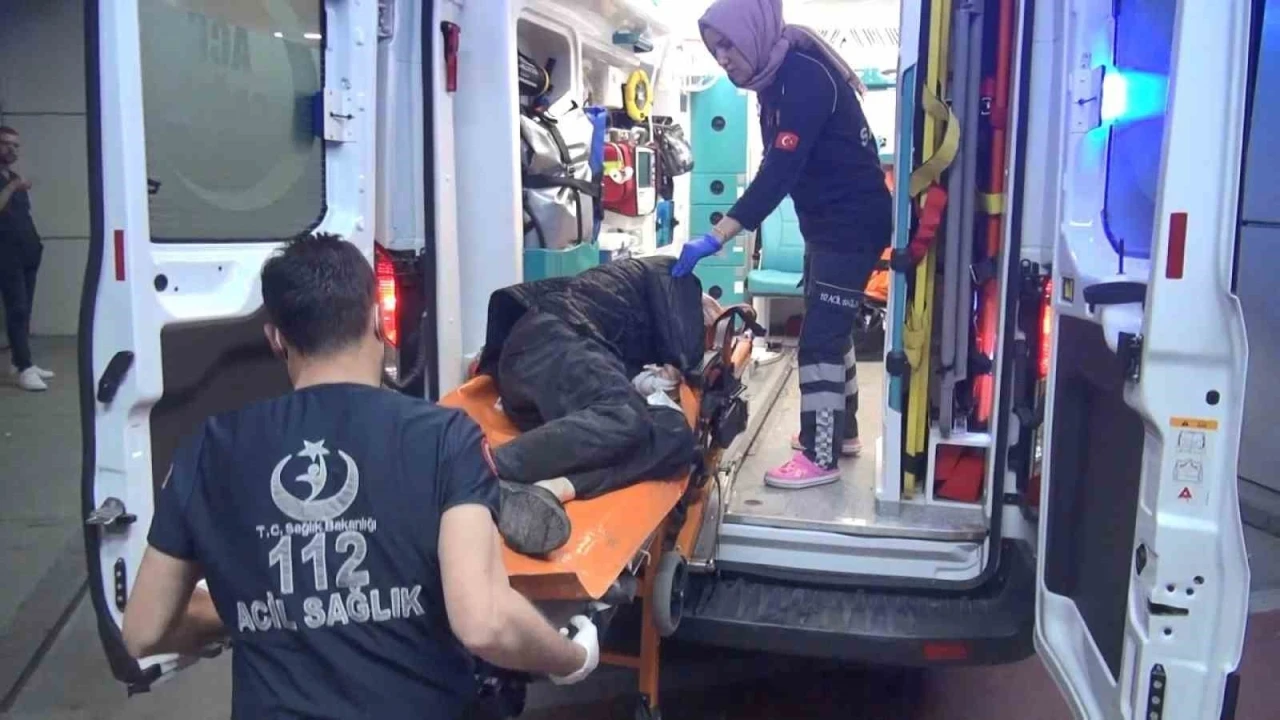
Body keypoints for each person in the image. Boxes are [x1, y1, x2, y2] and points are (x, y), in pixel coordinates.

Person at [121, 234, 599, 719]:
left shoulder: (209, 448)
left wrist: (264, 612)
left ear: (276, 338)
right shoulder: (444, 438)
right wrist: (572, 659)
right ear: (377, 319)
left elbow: (142, 630)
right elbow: (484, 621)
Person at [671, 0, 892, 490]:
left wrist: (718, 234)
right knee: (830, 326)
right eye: (714, 49)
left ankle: (820, 454)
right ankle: (842, 432)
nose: (722, 58)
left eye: (728, 45)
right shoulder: (773, 83)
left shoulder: (803, 77)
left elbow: (779, 172)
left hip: (850, 224)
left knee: (820, 340)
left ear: (753, 33)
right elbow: (778, 165)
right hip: (827, 223)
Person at [475, 255, 707, 556]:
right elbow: (687, 356)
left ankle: (555, 487)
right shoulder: (676, 278)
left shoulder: (634, 303)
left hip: (561, 398)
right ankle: (484, 470)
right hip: (550, 341)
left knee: (677, 437)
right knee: (624, 415)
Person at [0, 126, 53, 391]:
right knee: (17, 309)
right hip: (6, 254)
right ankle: (24, 368)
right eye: (6, 144)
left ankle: (20, 360)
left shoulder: (13, 177)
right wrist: (13, 186)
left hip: (28, 252)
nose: (12, 149)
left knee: (25, 310)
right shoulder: (12, 182)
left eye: (16, 145)